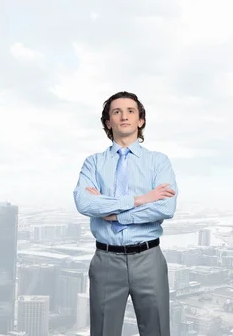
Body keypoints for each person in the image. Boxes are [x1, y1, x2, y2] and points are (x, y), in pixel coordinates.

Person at [73, 91, 178, 336]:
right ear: (108, 122)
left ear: (140, 120)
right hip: (106, 260)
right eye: (116, 112)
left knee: (157, 330)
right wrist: (140, 200)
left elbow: (165, 207)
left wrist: (116, 214)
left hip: (149, 258)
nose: (124, 116)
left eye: (131, 111)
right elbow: (85, 204)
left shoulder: (158, 162)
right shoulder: (93, 163)